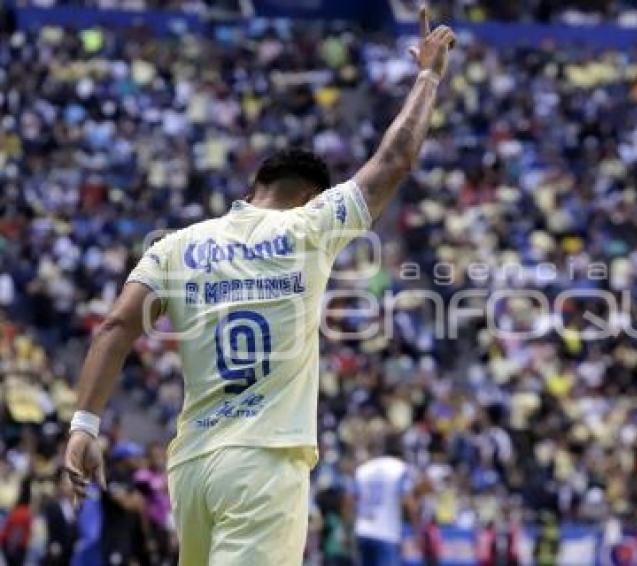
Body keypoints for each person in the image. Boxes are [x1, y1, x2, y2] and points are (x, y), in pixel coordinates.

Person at [61, 6, 455, 566]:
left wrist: (83, 425)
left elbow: (115, 326)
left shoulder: (174, 245)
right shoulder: (309, 227)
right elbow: (395, 159)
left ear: (255, 186)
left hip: (193, 470)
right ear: (309, 197)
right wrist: (428, 77)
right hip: (263, 465)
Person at [354, 436, 428, 566]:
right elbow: (408, 501)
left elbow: (350, 499)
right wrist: (417, 531)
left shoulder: (364, 468)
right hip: (386, 533)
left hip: (363, 530)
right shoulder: (399, 468)